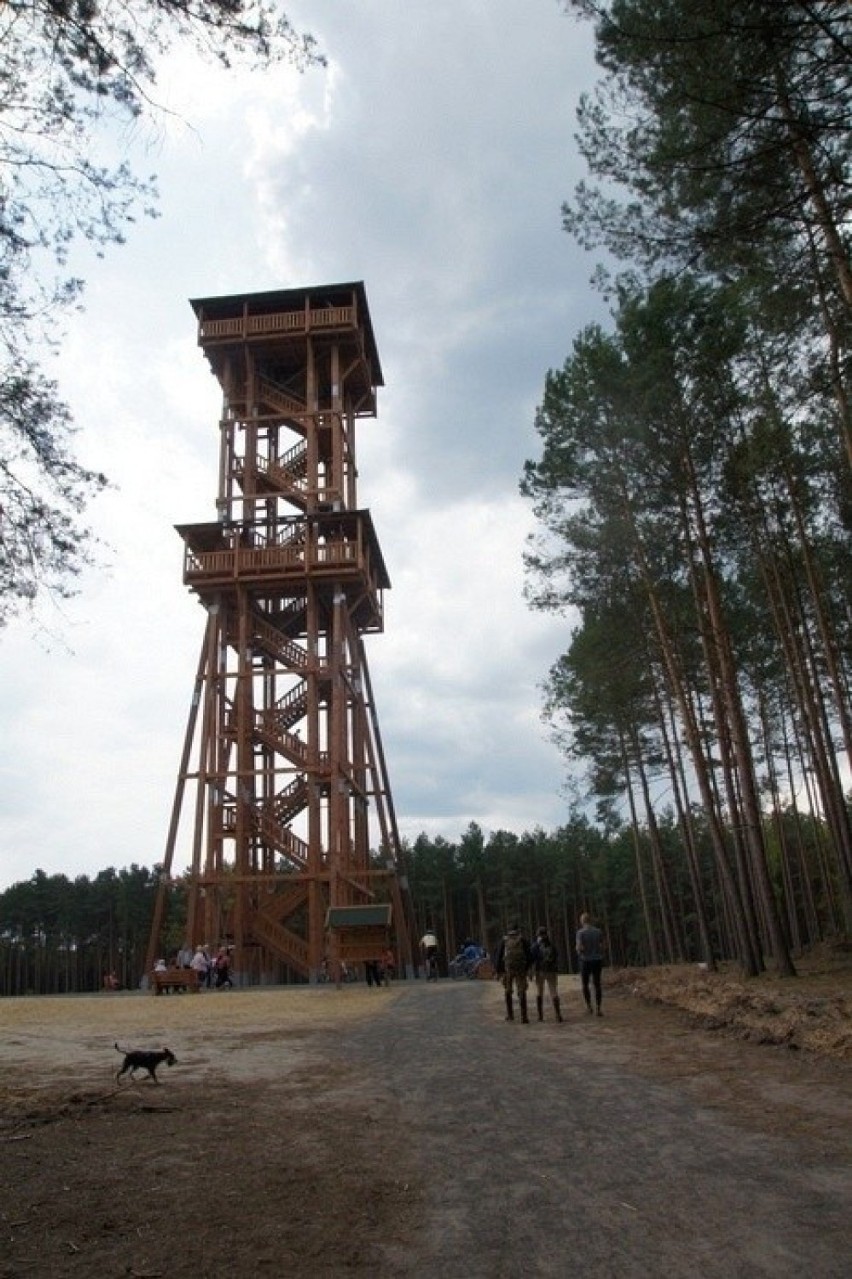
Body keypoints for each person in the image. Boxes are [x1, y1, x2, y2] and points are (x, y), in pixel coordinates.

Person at [496, 921, 532, 1023]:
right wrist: (527, 968)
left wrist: (499, 971)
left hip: (508, 970)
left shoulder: (504, 941)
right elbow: (529, 956)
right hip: (521, 969)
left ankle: (510, 1015)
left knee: (508, 990)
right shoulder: (523, 940)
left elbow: (499, 956)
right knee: (522, 991)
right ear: (518, 930)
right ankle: (524, 1016)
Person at [530, 925, 562, 1022]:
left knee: (540, 992)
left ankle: (540, 1016)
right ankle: (558, 1015)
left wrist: (530, 972)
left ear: (538, 935)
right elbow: (556, 956)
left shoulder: (536, 946)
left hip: (540, 971)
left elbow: (532, 958)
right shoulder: (551, 945)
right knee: (553, 992)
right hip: (551, 971)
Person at [576, 912, 605, 1016]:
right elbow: (602, 946)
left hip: (585, 960)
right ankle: (598, 1008)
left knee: (585, 984)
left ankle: (589, 1007)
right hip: (597, 960)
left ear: (582, 921)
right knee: (597, 984)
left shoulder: (580, 933)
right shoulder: (598, 931)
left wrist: (579, 951)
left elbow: (580, 947)